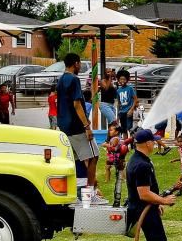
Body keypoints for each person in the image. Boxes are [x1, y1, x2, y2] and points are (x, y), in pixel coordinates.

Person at [125, 129, 182, 241]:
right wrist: (163, 201)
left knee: (159, 240)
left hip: (146, 207)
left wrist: (156, 203)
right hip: (143, 208)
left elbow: (147, 192)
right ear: (148, 143)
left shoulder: (137, 160)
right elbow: (143, 193)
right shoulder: (142, 164)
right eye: (154, 141)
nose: (156, 143)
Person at [57, 53, 104, 204]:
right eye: (80, 64)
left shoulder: (61, 80)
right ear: (76, 63)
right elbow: (77, 104)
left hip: (64, 127)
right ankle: (90, 195)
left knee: (77, 161)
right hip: (77, 127)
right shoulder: (74, 79)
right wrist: (87, 126)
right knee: (94, 156)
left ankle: (78, 196)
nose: (80, 66)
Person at [115, 69, 138, 137]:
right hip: (121, 112)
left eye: (124, 79)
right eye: (120, 79)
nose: (122, 81)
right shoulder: (118, 90)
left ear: (127, 80)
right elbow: (118, 103)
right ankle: (125, 145)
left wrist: (131, 110)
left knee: (130, 129)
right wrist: (118, 116)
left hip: (128, 112)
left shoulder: (130, 88)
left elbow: (135, 100)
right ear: (118, 80)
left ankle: (132, 145)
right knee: (123, 130)